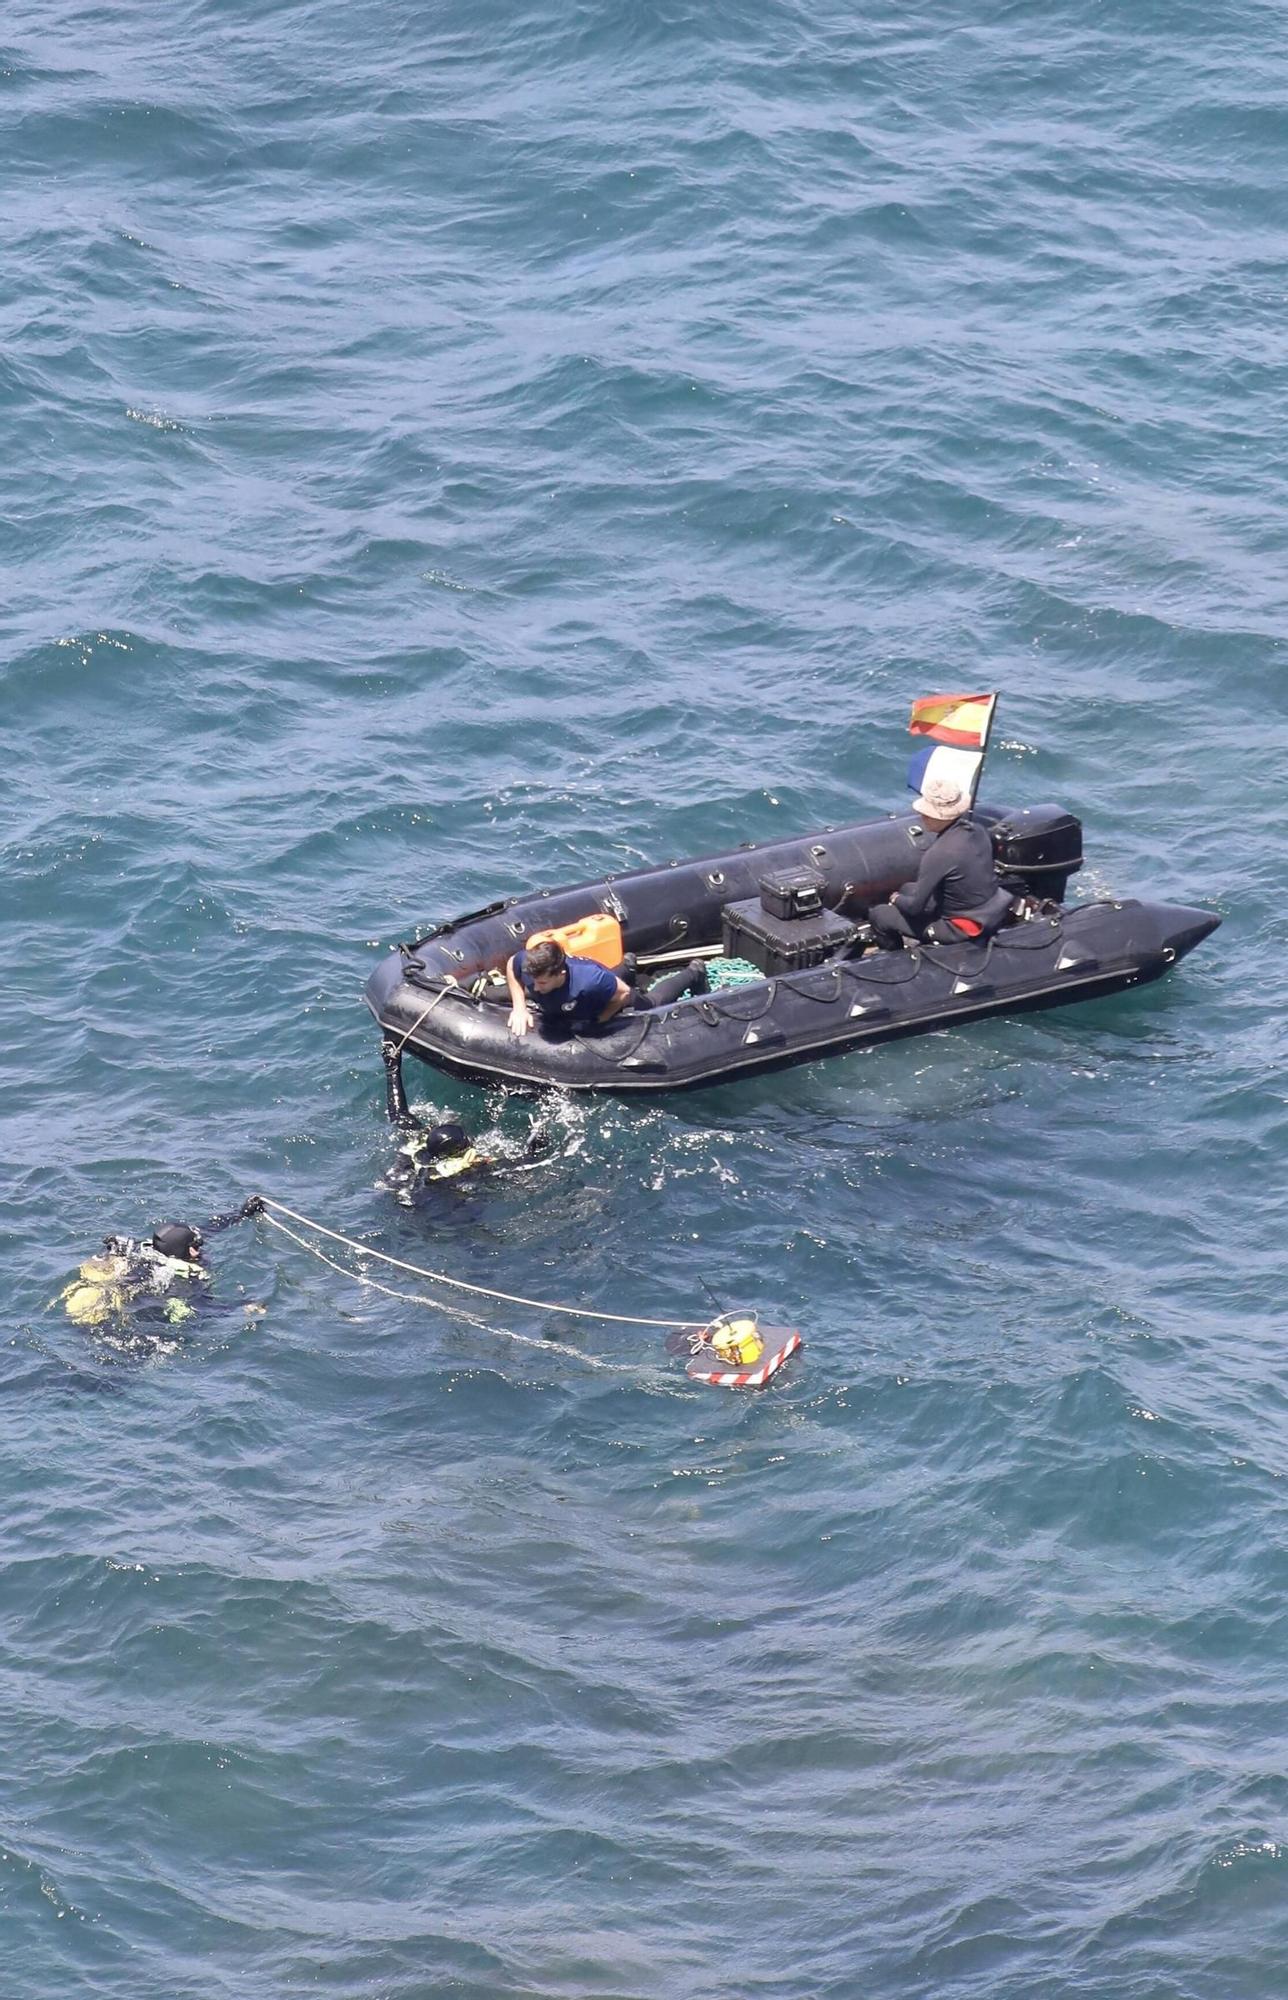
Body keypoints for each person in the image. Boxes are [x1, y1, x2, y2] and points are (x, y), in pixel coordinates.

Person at [59, 1200, 264, 1335]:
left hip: (124, 1286)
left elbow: (210, 1227)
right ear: (179, 1251)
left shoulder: (148, 1249)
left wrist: (242, 1213)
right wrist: (241, 1305)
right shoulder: (178, 1279)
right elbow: (204, 1308)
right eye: (194, 1247)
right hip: (137, 1306)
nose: (199, 1250)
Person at [380, 1041, 552, 1199]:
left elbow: (398, 1113)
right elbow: (522, 1165)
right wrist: (537, 1145)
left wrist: (392, 1068)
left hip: (399, 1191)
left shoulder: (414, 1145)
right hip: (433, 1205)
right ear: (457, 1151)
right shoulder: (465, 1171)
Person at [865, 774, 1012, 949]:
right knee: (908, 888)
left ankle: (896, 959)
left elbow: (914, 908)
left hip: (962, 928)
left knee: (880, 915)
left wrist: (895, 898)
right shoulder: (978, 831)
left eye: (925, 813)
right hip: (992, 909)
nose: (921, 816)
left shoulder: (939, 853)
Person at [505, 937, 708, 1037]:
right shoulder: (528, 963)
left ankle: (694, 973)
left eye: (541, 983)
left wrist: (602, 1018)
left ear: (560, 974)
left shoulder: (589, 980)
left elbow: (624, 993)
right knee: (609, 980)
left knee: (652, 1002)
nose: (536, 989)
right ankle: (627, 966)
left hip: (600, 999)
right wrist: (519, 1007)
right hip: (596, 986)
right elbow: (511, 965)